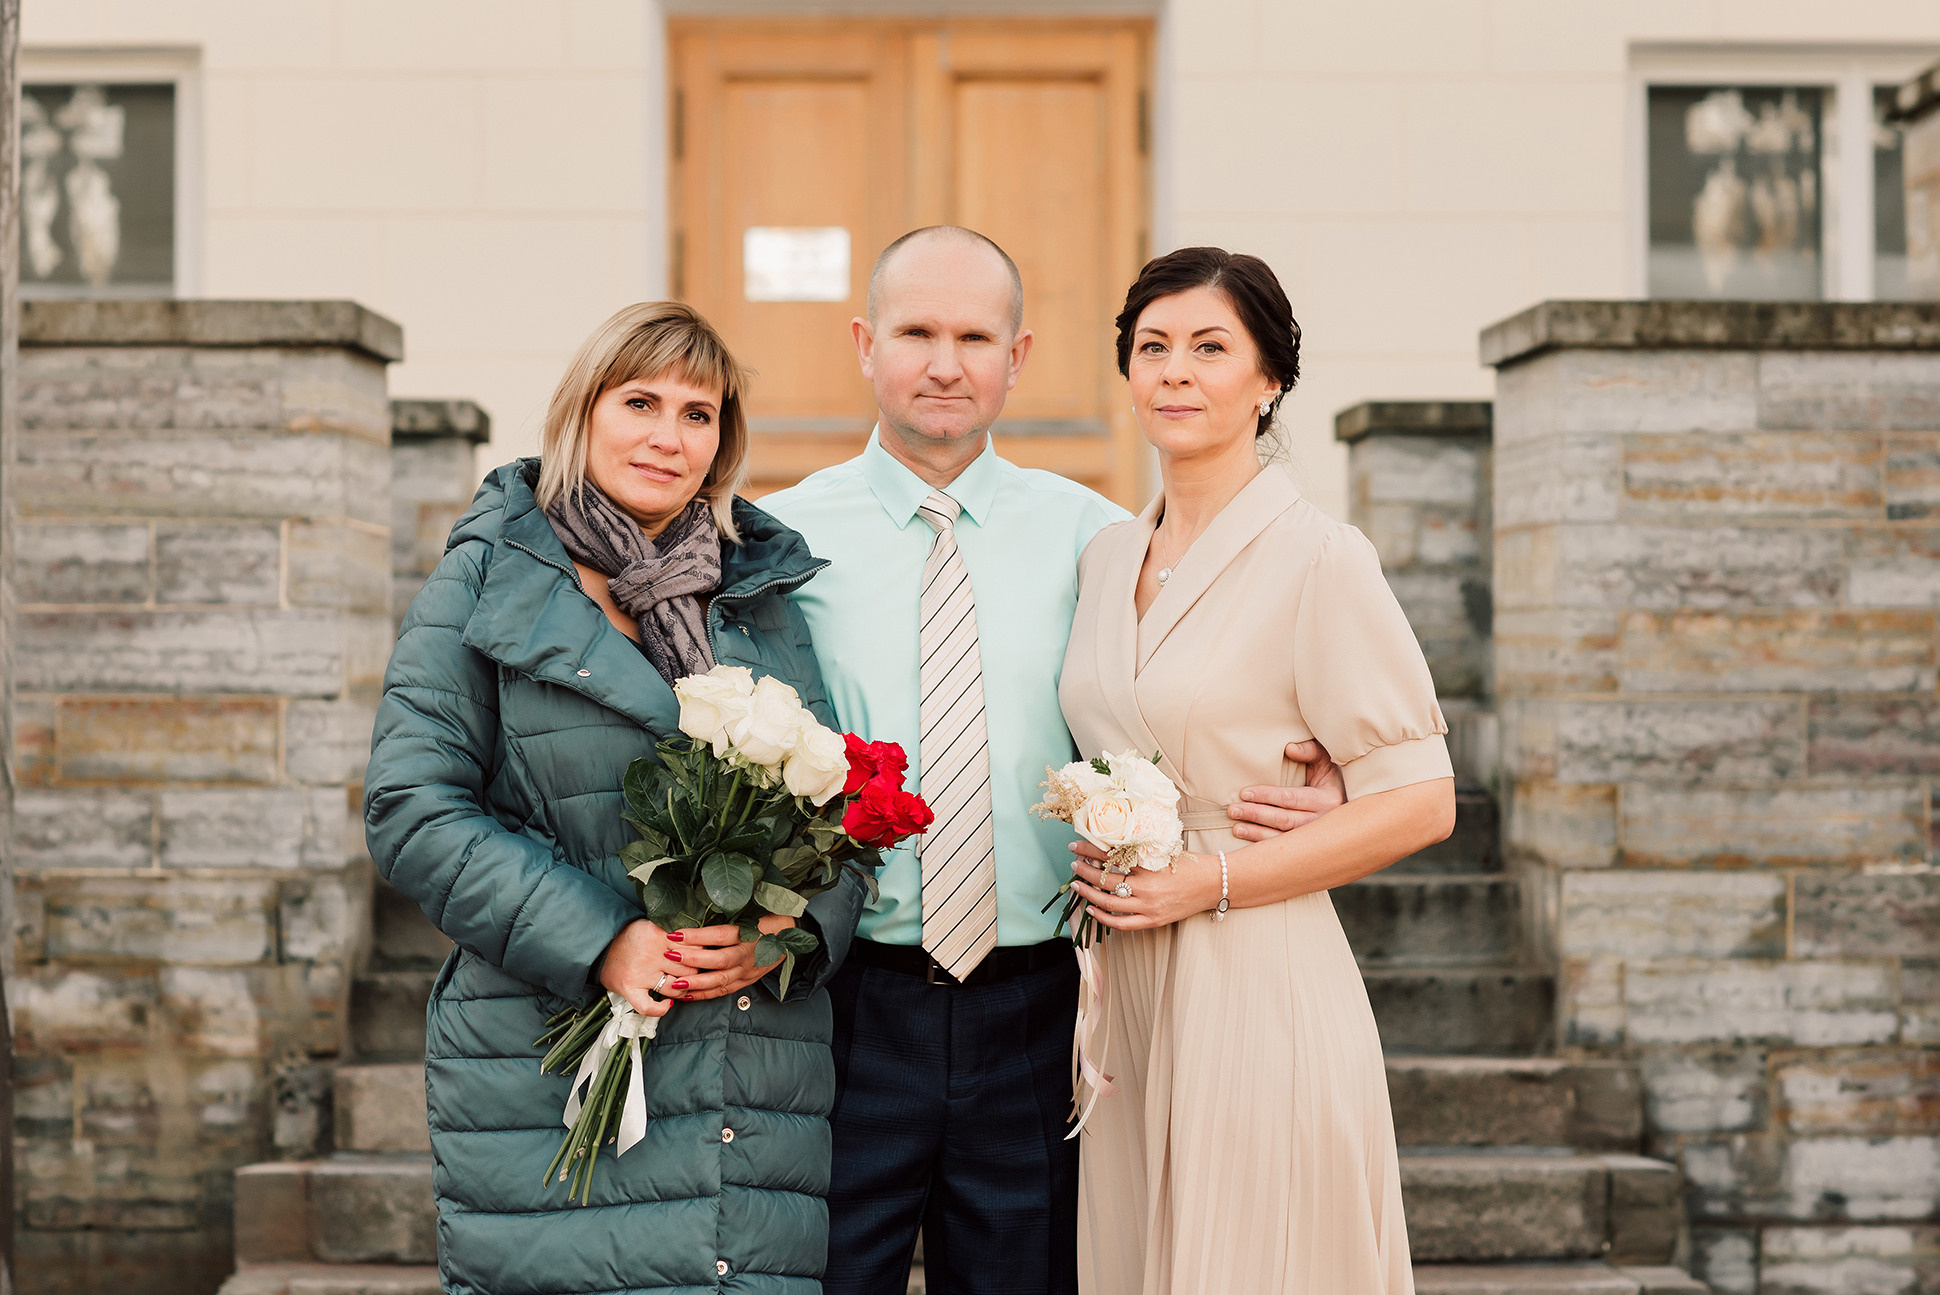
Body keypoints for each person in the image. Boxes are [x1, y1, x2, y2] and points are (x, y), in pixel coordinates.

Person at [760, 227, 1344, 1295]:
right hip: (842, 1004)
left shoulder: (1100, 538)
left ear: (1018, 356)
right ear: (863, 343)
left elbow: (1187, 692)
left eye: (974, 335)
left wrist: (1317, 768)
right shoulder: (778, 542)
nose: (946, 362)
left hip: (1035, 1008)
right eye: (917, 332)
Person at [364, 302, 865, 1295]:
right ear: (581, 411)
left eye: (697, 412)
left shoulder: (756, 593)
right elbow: (413, 804)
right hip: (548, 1056)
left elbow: (836, 804)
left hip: (750, 1075)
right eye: (639, 401)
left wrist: (789, 930)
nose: (666, 434)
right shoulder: (489, 577)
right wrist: (602, 937)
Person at [1059, 247, 1457, 1294]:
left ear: (1268, 377)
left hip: (1254, 967)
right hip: (1123, 991)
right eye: (1152, 347)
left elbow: (1421, 798)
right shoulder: (1105, 557)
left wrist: (1213, 877)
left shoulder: (1320, 557)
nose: (1174, 372)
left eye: (1208, 347)